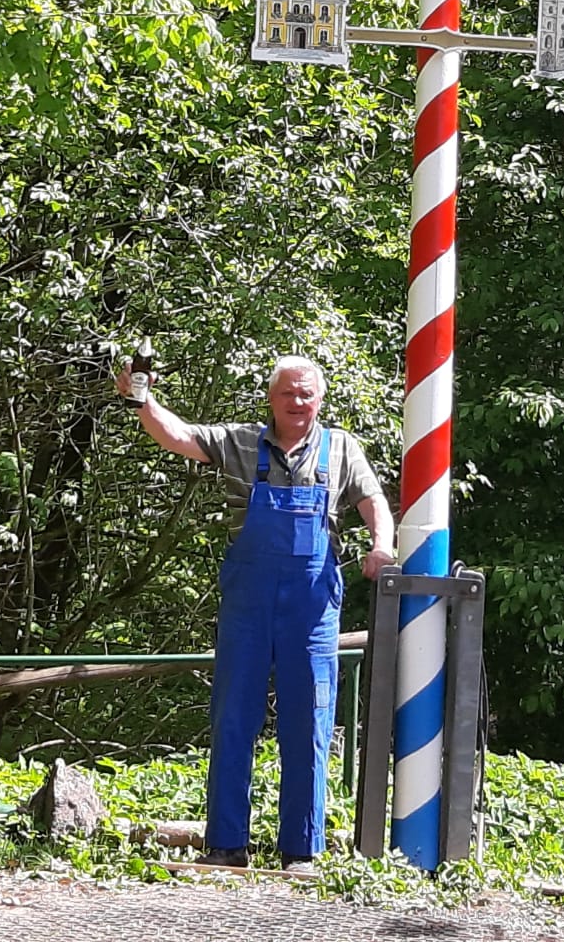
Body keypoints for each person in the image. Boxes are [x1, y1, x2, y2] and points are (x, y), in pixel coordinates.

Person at [116, 352, 395, 870]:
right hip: (248, 605)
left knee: (308, 722)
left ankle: (300, 851)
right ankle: (226, 846)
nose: (297, 401)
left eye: (306, 393)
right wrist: (142, 399)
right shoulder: (240, 442)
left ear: (320, 399)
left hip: (311, 609)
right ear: (271, 397)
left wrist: (382, 545)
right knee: (233, 719)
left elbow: (373, 500)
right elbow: (178, 436)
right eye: (288, 392)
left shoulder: (340, 448)